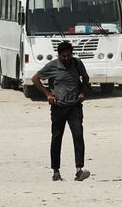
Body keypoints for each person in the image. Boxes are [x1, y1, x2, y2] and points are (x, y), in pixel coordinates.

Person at [31, 40, 91, 181]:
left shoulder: (77, 63)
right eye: (64, 56)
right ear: (59, 55)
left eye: (69, 55)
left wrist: (82, 92)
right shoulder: (52, 66)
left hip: (75, 107)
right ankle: (56, 171)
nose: (67, 58)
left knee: (78, 135)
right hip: (58, 108)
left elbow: (86, 78)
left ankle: (79, 170)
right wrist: (48, 94)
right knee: (57, 138)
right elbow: (35, 78)